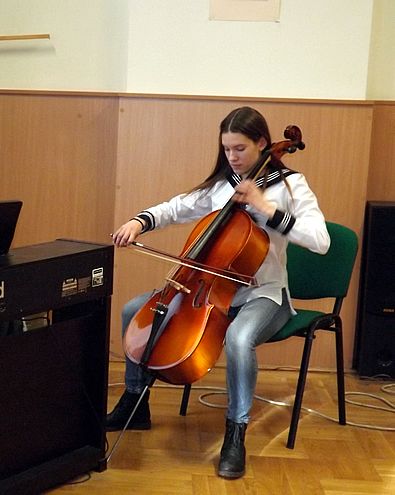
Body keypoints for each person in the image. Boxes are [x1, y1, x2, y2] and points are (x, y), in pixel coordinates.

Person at [107, 107, 330, 479]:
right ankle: (135, 400)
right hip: (209, 292)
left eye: (240, 149)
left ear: (263, 143)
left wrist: (266, 208)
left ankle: (235, 433)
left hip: (264, 295)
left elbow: (321, 241)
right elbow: (177, 208)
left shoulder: (290, 185)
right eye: (227, 149)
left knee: (239, 338)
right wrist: (139, 221)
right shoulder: (224, 186)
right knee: (134, 309)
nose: (232, 157)